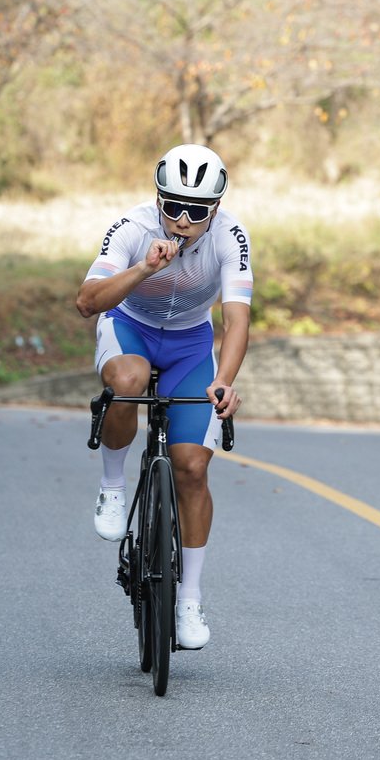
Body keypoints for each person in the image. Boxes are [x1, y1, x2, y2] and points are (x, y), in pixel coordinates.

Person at [74, 143, 252, 651]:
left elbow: (236, 319)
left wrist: (224, 380)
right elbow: (87, 302)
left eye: (196, 211)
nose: (183, 219)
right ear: (158, 198)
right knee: (128, 381)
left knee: (192, 467)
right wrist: (143, 270)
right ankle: (113, 486)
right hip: (130, 327)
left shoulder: (231, 236)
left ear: (215, 208)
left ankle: (188, 598)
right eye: (173, 205)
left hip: (189, 345)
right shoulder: (132, 228)